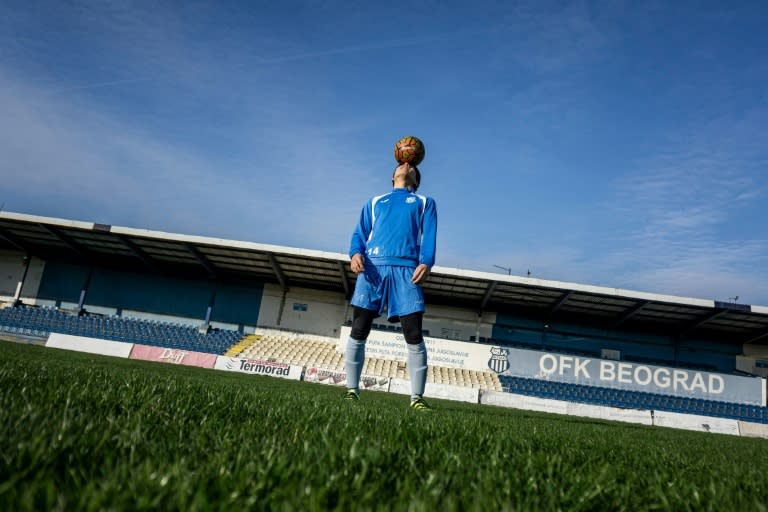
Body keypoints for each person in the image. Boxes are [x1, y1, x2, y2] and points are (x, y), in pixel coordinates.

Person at [344, 161, 438, 410]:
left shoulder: (425, 202)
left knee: (414, 333)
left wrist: (426, 262)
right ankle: (352, 390)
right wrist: (355, 253)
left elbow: (429, 235)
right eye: (400, 164)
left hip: (407, 270)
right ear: (393, 175)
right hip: (373, 267)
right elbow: (359, 234)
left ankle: (416, 398)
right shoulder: (374, 202)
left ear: (415, 180)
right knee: (359, 328)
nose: (405, 165)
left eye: (410, 165)